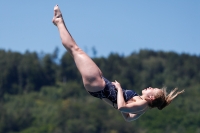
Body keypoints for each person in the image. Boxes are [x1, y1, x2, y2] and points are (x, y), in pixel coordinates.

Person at [52, 5, 184, 122]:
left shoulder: (142, 105)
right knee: (75, 50)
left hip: (99, 86)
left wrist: (119, 90)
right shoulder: (141, 106)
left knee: (75, 50)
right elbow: (127, 117)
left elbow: (121, 107)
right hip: (101, 84)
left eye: (152, 89)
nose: (150, 87)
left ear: (151, 98)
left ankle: (59, 21)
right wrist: (119, 98)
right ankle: (59, 22)